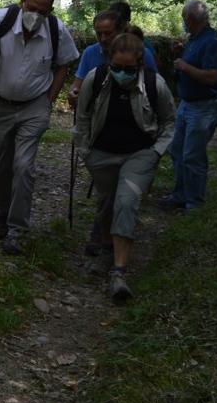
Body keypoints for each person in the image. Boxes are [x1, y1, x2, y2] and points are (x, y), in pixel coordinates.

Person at [0, 0, 79, 255]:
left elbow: (64, 64)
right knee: (3, 165)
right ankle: (3, 211)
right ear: (22, 2)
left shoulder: (56, 30)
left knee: (24, 166)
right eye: (31, 7)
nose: (35, 14)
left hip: (34, 107)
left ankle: (17, 229)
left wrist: (49, 100)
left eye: (42, 10)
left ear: (49, 11)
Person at [74, 33, 176, 302]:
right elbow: (82, 116)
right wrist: (85, 151)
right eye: (116, 67)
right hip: (101, 154)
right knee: (107, 204)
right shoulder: (95, 79)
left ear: (140, 63)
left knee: (126, 202)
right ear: (110, 61)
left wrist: (156, 152)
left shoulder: (156, 84)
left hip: (140, 154)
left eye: (128, 69)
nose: (121, 73)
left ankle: (119, 273)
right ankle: (107, 250)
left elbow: (169, 122)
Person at [67, 9, 159, 259]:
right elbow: (76, 87)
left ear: (121, 30)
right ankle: (104, 237)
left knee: (124, 195)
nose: (103, 38)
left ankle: (109, 244)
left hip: (135, 137)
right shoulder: (90, 54)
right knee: (106, 194)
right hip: (101, 136)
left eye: (108, 33)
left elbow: (154, 89)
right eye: (99, 33)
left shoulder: (143, 53)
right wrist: (74, 96)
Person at [158, 0, 217, 211]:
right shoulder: (195, 39)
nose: (183, 23)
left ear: (190, 18)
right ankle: (180, 195)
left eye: (183, 18)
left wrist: (185, 66)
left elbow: (213, 76)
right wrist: (181, 54)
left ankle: (194, 203)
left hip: (204, 106)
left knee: (192, 155)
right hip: (187, 104)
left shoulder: (212, 41)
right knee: (177, 149)